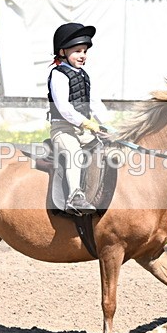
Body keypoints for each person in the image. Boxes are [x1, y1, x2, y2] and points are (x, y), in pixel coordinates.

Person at [47, 22, 110, 215]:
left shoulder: (84, 76)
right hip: (63, 129)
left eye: (84, 51)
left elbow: (95, 102)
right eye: (77, 51)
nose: (82, 55)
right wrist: (87, 122)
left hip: (83, 130)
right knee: (74, 153)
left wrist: (108, 125)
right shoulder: (58, 75)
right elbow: (64, 108)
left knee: (106, 150)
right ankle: (74, 197)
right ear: (63, 51)